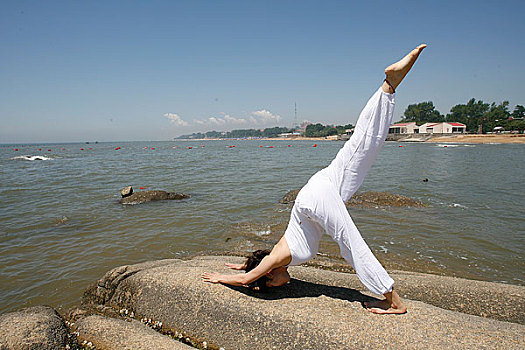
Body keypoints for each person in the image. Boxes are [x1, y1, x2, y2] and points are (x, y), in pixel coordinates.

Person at [202, 44, 427, 314]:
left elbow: (247, 278)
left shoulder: (277, 258)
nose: (280, 285)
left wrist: (224, 277)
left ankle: (393, 300)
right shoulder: (274, 254)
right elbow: (254, 265)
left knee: (350, 243)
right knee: (361, 149)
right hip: (319, 189)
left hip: (314, 200)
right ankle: (388, 86)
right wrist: (244, 264)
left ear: (270, 275)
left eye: (272, 285)